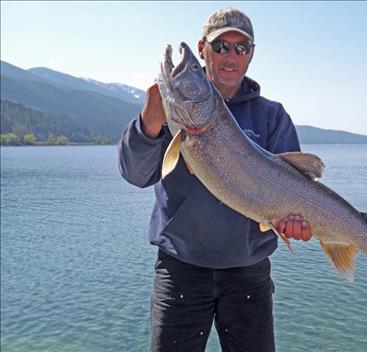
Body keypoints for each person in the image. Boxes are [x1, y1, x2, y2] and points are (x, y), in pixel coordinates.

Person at [118, 8, 312, 352]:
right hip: (180, 269)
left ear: (251, 54)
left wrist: (296, 223)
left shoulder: (271, 116)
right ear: (203, 48)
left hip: (249, 273)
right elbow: (135, 174)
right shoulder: (168, 112)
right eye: (221, 45)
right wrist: (148, 123)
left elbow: (296, 193)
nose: (230, 56)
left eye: (241, 47)